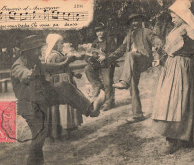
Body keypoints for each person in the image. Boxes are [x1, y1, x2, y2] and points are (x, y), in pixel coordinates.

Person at [11, 35, 105, 165]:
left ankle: (91, 109)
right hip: (29, 105)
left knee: (64, 86)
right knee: (40, 136)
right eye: (36, 50)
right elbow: (24, 74)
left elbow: (50, 66)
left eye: (39, 49)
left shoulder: (35, 61)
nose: (39, 52)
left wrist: (67, 61)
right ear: (27, 51)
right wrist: (30, 74)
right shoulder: (18, 65)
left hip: (42, 97)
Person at [151, 0, 194, 155]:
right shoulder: (176, 29)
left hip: (182, 68)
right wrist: (162, 60)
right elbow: (171, 50)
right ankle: (172, 138)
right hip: (172, 67)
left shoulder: (188, 29)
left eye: (174, 17)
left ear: (183, 16)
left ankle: (181, 138)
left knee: (179, 101)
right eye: (172, 17)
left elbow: (191, 50)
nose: (172, 20)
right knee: (171, 100)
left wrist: (187, 40)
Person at [105, 14, 163, 123]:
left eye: (136, 21)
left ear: (141, 21)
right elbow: (121, 49)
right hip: (133, 64)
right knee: (133, 86)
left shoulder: (146, 31)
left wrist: (158, 44)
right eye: (132, 21)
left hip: (144, 60)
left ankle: (123, 81)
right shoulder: (129, 35)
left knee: (130, 55)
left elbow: (155, 38)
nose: (134, 23)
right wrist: (108, 58)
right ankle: (137, 114)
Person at [43, 34, 83, 142]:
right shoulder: (53, 56)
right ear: (54, 44)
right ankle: (61, 132)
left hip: (62, 82)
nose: (62, 45)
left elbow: (64, 68)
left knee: (59, 109)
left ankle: (58, 132)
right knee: (61, 108)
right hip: (60, 85)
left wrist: (73, 74)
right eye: (60, 43)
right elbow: (55, 70)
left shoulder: (58, 55)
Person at [84, 23, 117, 111]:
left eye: (101, 31)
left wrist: (106, 56)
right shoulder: (95, 42)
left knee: (107, 82)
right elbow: (89, 53)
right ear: (96, 33)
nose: (100, 33)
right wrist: (90, 59)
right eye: (98, 31)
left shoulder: (109, 40)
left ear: (104, 31)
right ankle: (96, 84)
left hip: (107, 64)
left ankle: (109, 102)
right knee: (87, 69)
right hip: (97, 64)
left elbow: (114, 52)